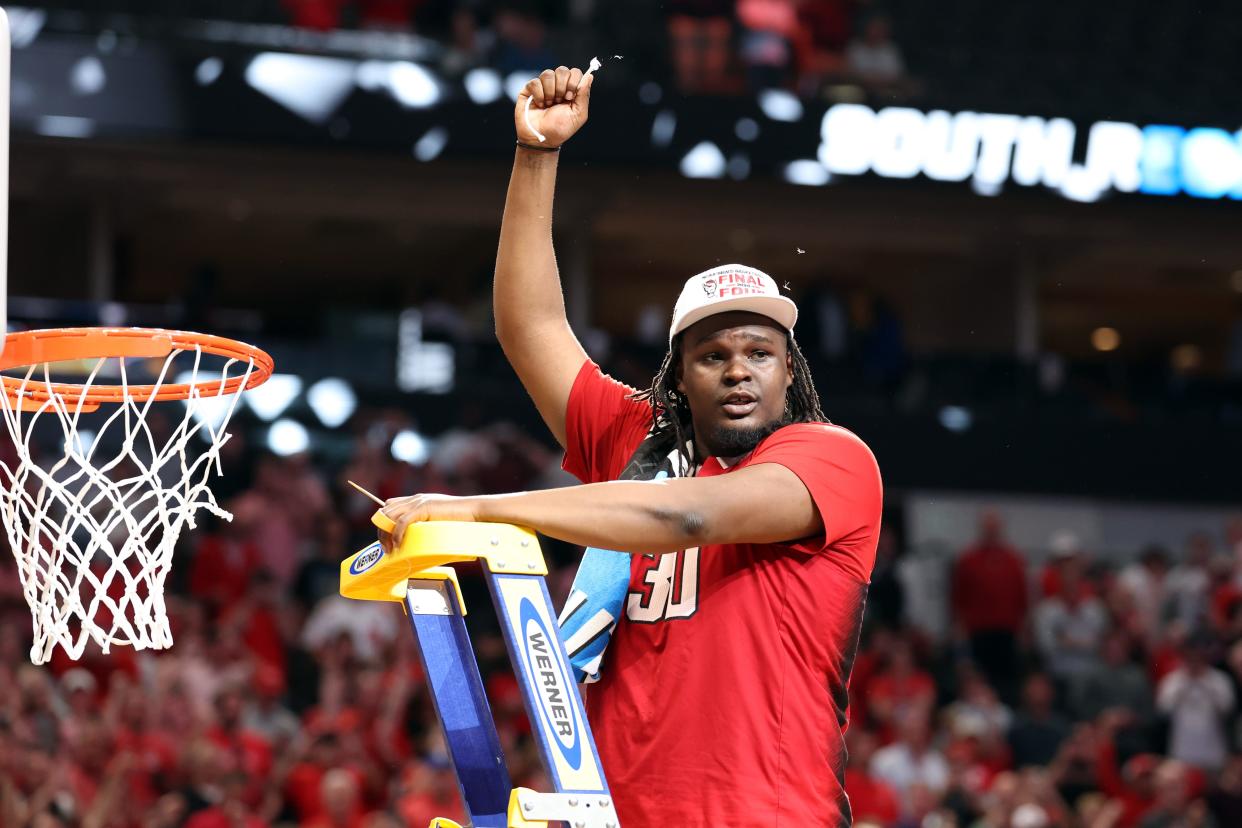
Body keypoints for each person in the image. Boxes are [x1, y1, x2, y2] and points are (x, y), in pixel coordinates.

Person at [379, 64, 884, 827]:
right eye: (713, 357)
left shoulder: (832, 459)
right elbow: (531, 330)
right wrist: (536, 155)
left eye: (760, 353)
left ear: (790, 372)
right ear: (680, 377)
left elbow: (689, 518)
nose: (739, 371)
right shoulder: (639, 444)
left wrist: (483, 507)